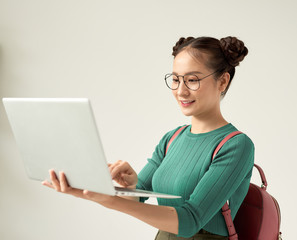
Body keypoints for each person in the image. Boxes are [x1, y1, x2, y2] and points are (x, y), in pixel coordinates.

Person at [42, 36, 255, 240]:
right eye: (175, 79)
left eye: (192, 80)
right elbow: (137, 195)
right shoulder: (172, 139)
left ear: (223, 81)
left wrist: (109, 201)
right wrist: (87, 189)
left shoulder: (236, 145)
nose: (180, 91)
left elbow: (191, 220)